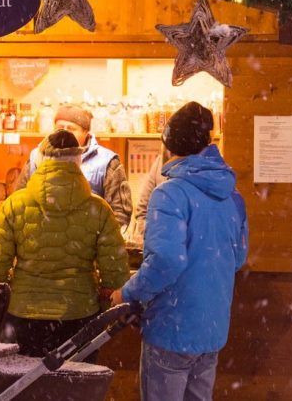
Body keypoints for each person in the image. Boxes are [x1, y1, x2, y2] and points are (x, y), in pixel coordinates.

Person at [111, 101, 248, 401]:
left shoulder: (169, 193)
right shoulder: (232, 195)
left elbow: (166, 261)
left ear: (170, 147)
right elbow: (238, 258)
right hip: (211, 329)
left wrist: (128, 293)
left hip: (171, 328)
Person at [0, 129, 129, 357]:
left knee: (23, 386)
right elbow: (115, 272)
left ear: (41, 160)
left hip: (23, 315)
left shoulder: (14, 205)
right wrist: (104, 304)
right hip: (78, 315)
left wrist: (6, 300)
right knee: (74, 383)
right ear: (78, 161)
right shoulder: (98, 209)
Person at [21, 104, 133, 241]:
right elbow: (19, 201)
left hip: (87, 248)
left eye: (71, 128)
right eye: (60, 128)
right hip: (41, 244)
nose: (65, 132)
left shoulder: (107, 162)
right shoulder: (35, 158)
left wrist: (103, 242)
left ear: (86, 132)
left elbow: (120, 211)